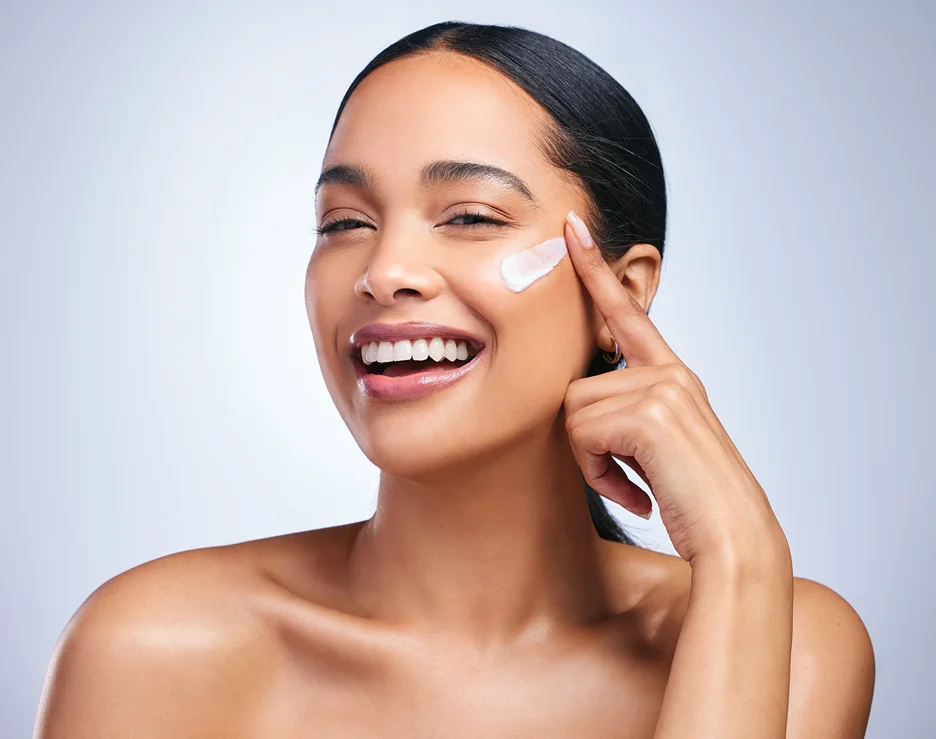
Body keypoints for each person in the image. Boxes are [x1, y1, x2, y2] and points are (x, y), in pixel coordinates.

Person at [34, 21, 875, 738]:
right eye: (345, 222)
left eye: (470, 216)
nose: (387, 269)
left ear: (624, 289)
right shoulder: (152, 648)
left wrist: (739, 554)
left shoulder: (786, 637)